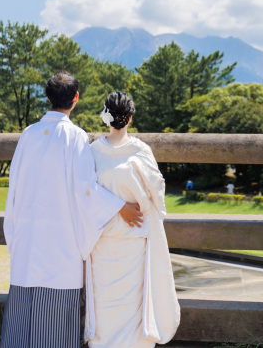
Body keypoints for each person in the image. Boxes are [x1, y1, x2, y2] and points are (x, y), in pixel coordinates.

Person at [0, 72, 144, 348]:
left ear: (47, 97)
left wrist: (15, 237)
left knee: (22, 322)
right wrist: (119, 207)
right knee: (53, 327)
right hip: (59, 248)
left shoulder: (27, 135)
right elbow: (86, 191)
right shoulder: (76, 137)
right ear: (75, 98)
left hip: (27, 243)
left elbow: (14, 188)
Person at [87, 91, 180, 347]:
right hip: (134, 238)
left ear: (106, 117)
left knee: (105, 302)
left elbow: (85, 193)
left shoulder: (92, 151)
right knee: (133, 304)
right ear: (129, 118)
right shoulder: (141, 150)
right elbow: (157, 192)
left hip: (103, 240)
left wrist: (114, 202)